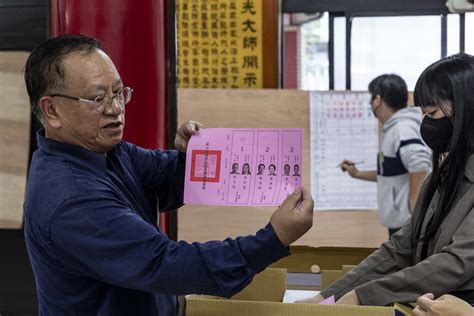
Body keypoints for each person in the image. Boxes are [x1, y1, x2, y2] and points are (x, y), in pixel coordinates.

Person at [23, 34, 315, 315]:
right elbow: (167, 264)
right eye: (98, 98)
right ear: (52, 111)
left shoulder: (106, 150)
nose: (116, 109)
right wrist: (273, 239)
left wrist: (195, 156)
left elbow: (164, 177)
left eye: (118, 92)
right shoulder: (71, 200)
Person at [300, 53, 474, 307]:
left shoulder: (401, 130)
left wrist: (365, 295)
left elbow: (457, 262)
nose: (426, 124)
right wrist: (326, 296)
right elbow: (400, 247)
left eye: (433, 112)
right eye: (424, 114)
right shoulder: (444, 175)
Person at [340, 74, 431, 237]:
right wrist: (357, 173)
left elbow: (420, 161)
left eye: (371, 98)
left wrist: (414, 203)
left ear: (377, 100)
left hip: (406, 224)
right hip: (402, 222)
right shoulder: (395, 127)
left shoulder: (401, 128)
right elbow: (390, 174)